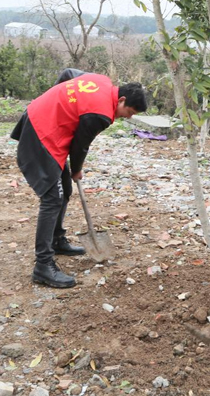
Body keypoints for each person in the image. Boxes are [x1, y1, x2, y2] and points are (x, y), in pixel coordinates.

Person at [11, 71, 147, 288]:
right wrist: (77, 170)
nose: (128, 117)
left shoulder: (100, 80)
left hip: (41, 119)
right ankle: (43, 266)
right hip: (42, 133)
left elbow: (68, 74)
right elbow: (80, 145)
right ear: (121, 100)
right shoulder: (100, 114)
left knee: (64, 189)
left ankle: (57, 240)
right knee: (52, 198)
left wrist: (55, 101)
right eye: (128, 112)